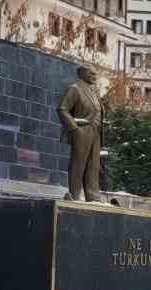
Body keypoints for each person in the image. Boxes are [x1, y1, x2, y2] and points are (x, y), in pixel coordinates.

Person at [57, 65, 102, 203]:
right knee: (78, 164)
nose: (94, 76)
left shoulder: (94, 91)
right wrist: (74, 128)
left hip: (96, 131)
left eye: (95, 74)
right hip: (82, 130)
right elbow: (62, 109)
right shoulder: (75, 89)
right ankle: (74, 194)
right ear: (81, 73)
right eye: (91, 73)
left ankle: (92, 196)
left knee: (93, 165)